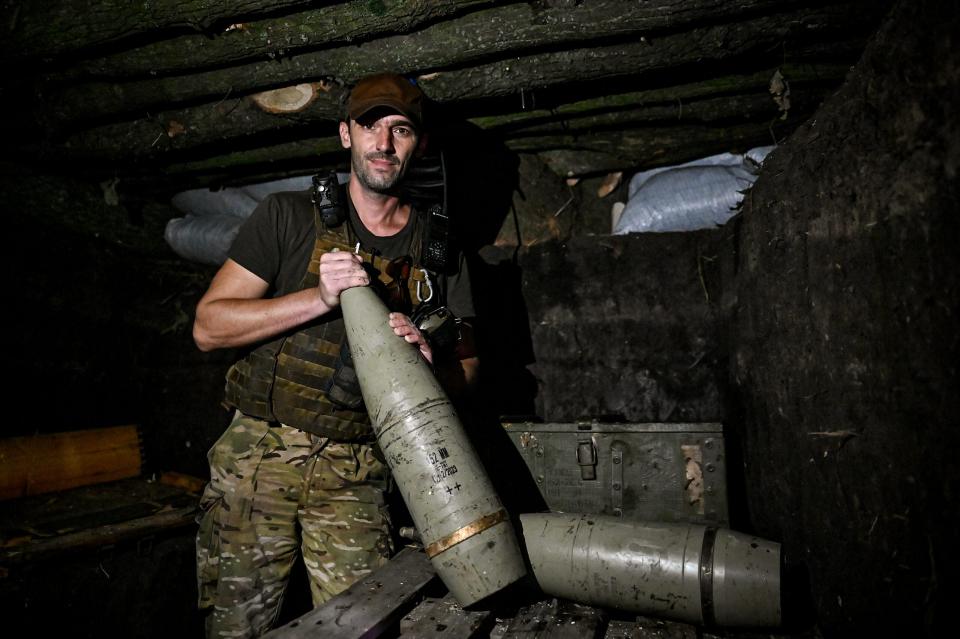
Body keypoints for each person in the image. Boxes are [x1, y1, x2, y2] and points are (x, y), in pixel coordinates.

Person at [192, 73, 478, 639]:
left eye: (400, 130)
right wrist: (317, 298)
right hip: (259, 462)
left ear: (417, 145)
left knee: (363, 627)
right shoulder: (287, 216)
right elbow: (208, 327)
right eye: (370, 126)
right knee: (234, 628)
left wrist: (431, 366)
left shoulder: (440, 249)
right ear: (346, 135)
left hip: (359, 469)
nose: (384, 143)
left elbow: (470, 367)